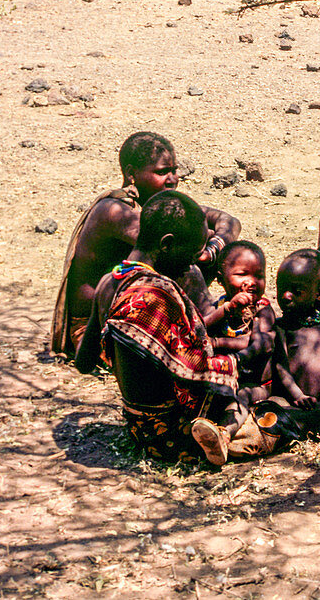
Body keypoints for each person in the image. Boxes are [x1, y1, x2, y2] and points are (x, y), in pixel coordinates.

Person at [51, 131, 241, 358]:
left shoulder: (163, 205)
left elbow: (230, 222)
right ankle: (209, 331)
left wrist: (210, 251)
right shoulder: (113, 210)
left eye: (174, 170)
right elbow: (174, 241)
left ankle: (208, 327)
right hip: (95, 329)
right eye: (162, 172)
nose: (172, 179)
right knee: (185, 265)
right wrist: (200, 243)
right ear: (131, 173)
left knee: (209, 257)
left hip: (136, 309)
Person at [99, 190, 243, 465]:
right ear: (167, 245)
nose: (191, 264)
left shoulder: (110, 281)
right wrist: (242, 358)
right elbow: (194, 369)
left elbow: (85, 360)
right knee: (255, 390)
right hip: (174, 436)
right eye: (191, 254)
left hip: (136, 428)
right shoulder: (157, 294)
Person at [271, 250, 320, 408]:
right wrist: (298, 395)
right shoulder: (281, 327)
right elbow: (281, 368)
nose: (286, 296)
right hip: (295, 401)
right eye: (282, 288)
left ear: (319, 294)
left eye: (297, 291)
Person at [203, 240, 276, 403]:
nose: (251, 282)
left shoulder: (262, 309)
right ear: (220, 280)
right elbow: (202, 325)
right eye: (242, 274)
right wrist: (227, 309)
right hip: (225, 376)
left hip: (257, 384)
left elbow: (258, 344)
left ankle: (225, 428)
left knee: (239, 396)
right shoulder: (220, 306)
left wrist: (217, 342)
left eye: (259, 276)